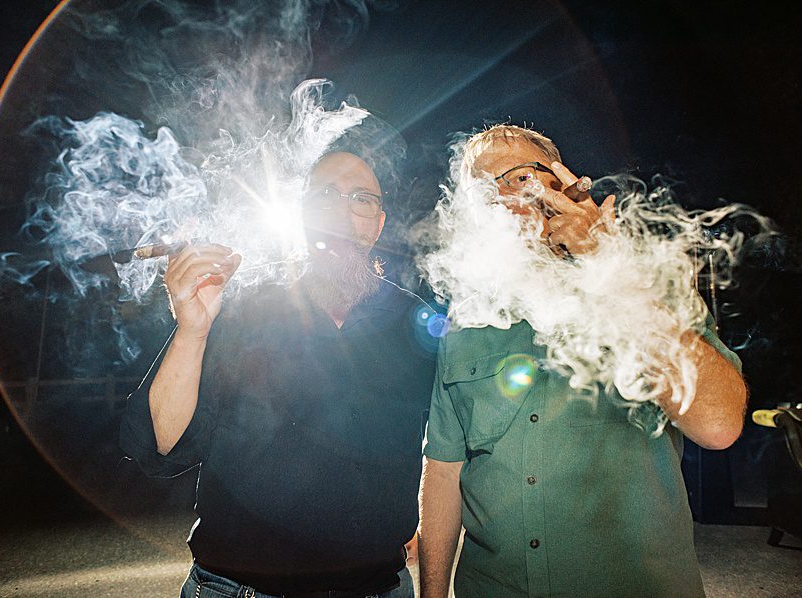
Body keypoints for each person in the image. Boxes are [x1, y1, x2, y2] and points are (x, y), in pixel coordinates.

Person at [416, 125, 747, 597]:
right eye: (481, 192)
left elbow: (718, 424)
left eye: (516, 177)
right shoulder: (468, 320)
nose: (501, 202)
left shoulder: (647, 282)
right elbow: (445, 471)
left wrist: (604, 262)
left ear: (560, 182)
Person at [118, 139, 439, 596]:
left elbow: (449, 450)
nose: (342, 212)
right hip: (238, 589)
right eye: (324, 196)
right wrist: (192, 330)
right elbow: (159, 447)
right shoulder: (243, 310)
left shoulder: (414, 324)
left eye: (361, 199)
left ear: (378, 223)